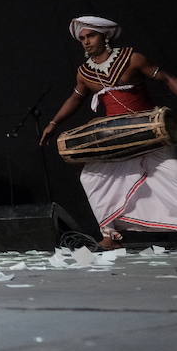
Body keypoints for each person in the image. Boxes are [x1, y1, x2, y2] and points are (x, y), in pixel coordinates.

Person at [40, 16, 177, 249]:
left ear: (105, 36)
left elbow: (166, 78)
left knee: (171, 174)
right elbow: (76, 98)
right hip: (116, 138)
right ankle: (111, 235)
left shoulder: (132, 58)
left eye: (90, 36)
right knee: (91, 178)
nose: (85, 42)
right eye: (82, 38)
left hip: (149, 131)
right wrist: (53, 123)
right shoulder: (84, 72)